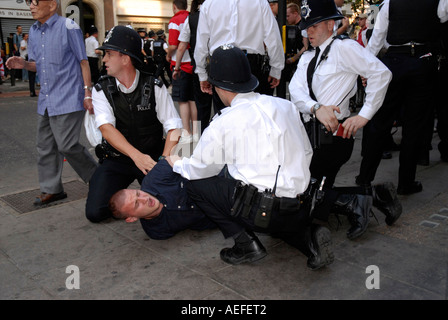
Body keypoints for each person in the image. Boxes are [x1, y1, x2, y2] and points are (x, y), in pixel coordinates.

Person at [168, 44, 336, 271]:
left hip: (261, 213)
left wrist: (176, 162)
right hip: (301, 204)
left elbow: (200, 170)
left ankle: (247, 245)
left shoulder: (223, 122)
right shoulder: (286, 106)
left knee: (195, 184)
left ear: (218, 86)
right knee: (270, 198)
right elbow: (306, 152)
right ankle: (309, 240)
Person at [289, 0, 398, 240]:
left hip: (333, 140)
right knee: (310, 201)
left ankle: (358, 201)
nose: (309, 31)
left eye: (314, 26)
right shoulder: (309, 56)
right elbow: (295, 91)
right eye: (307, 26)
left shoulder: (344, 48)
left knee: (298, 197)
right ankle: (372, 197)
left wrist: (364, 115)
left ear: (330, 24)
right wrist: (315, 107)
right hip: (312, 136)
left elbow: (381, 74)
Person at [85, 25, 183, 223]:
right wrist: (136, 156)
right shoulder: (101, 88)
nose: (103, 59)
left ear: (125, 58)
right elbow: (106, 128)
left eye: (109, 54)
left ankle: (144, 195)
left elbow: (174, 127)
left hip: (152, 157)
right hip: (118, 159)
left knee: (176, 199)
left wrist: (163, 163)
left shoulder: (154, 85)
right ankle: (133, 196)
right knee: (95, 212)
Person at [6, 0, 98, 206]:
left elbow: (84, 61)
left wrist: (87, 93)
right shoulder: (34, 31)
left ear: (52, 4)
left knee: (66, 145)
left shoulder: (69, 27)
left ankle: (98, 179)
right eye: (30, 2)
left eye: (36, 1)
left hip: (69, 97)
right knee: (45, 146)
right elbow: (38, 66)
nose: (31, 5)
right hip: (47, 99)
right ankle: (52, 190)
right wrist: (23, 64)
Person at [356, 0, 448, 195]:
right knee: (414, 127)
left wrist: (365, 69)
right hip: (423, 63)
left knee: (380, 122)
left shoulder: (389, 4)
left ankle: (364, 178)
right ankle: (406, 182)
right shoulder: (439, 3)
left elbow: (377, 39)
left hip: (394, 63)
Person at [194, 0, 284, 97]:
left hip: (220, 62)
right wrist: (276, 69)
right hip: (249, 63)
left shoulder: (209, 4)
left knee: (224, 110)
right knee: (252, 107)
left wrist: (202, 73)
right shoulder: (260, 2)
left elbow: (201, 42)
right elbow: (272, 37)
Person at [109, 159, 216, 239]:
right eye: (137, 204)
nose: (144, 198)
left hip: (218, 185)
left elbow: (174, 157)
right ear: (131, 218)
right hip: (221, 219)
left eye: (138, 193)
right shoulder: (157, 231)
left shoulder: (154, 179)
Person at [174, 0, 215, 135]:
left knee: (202, 108)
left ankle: (203, 138)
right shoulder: (219, 13)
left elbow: (181, 47)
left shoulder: (191, 19)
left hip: (200, 68)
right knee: (224, 106)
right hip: (220, 66)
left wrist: (177, 67)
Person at [167, 0, 198, 144]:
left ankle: (187, 133)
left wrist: (168, 54)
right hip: (194, 65)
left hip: (181, 65)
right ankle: (197, 132)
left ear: (174, 6)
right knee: (193, 100)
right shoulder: (192, 17)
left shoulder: (175, 21)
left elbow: (174, 45)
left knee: (183, 101)